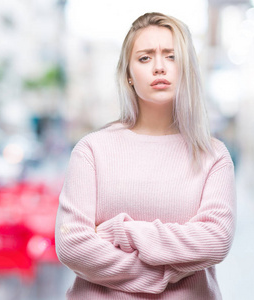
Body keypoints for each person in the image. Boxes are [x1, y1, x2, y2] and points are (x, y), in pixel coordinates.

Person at [55, 12, 236, 300]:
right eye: (145, 58)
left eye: (171, 56)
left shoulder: (212, 155)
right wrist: (162, 274)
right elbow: (72, 244)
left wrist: (120, 232)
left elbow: (214, 241)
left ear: (187, 67)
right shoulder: (92, 150)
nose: (160, 67)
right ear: (128, 74)